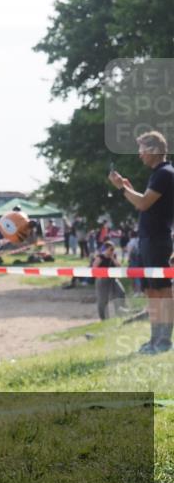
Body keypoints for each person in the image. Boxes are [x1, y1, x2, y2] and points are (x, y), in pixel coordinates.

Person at [108, 130, 174, 354]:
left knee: (162, 291)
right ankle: (155, 340)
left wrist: (121, 188)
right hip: (150, 240)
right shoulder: (159, 173)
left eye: (142, 150)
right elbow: (143, 203)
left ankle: (163, 342)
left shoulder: (164, 173)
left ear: (154, 150)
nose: (140, 155)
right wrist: (127, 189)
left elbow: (144, 204)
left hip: (157, 240)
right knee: (152, 292)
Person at [92, 241, 126, 320]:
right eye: (111, 249)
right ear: (106, 249)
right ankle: (104, 319)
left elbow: (118, 266)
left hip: (113, 279)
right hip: (102, 280)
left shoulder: (113, 256)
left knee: (120, 292)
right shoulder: (100, 257)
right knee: (103, 300)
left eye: (113, 249)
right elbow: (94, 268)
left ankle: (120, 313)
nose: (112, 251)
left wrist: (112, 258)